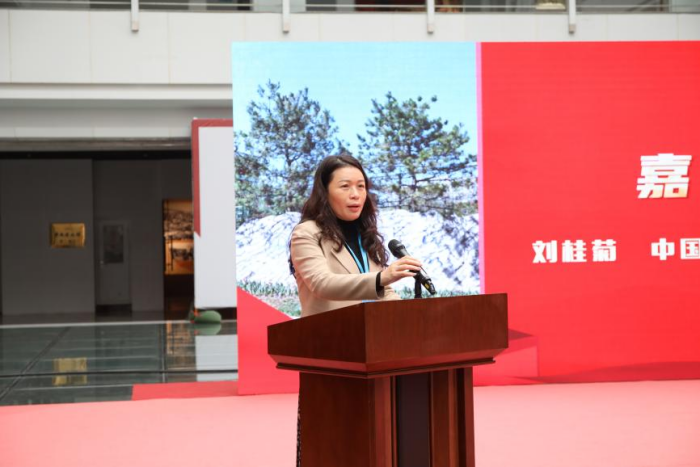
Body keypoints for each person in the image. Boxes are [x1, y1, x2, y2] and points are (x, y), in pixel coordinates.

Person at [289, 154, 422, 316]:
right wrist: (381, 277)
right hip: (329, 330)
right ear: (324, 192)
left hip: (371, 330)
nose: (355, 194)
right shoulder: (306, 232)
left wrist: (410, 314)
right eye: (345, 186)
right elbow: (321, 284)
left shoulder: (365, 233)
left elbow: (383, 290)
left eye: (361, 186)